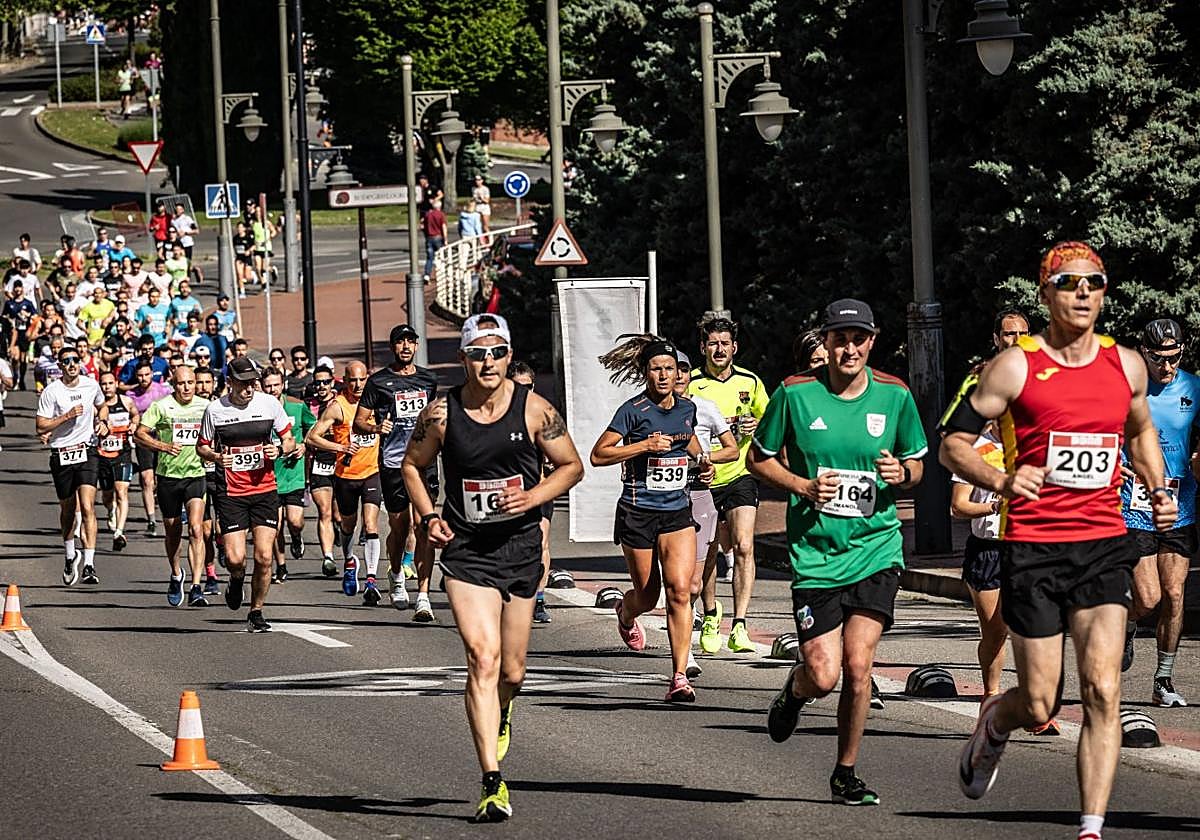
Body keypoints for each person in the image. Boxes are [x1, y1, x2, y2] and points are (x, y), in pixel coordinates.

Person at [939, 242, 1176, 840]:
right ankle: (998, 718)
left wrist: (1156, 484)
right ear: (1046, 292)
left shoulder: (1125, 364)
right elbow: (952, 445)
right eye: (1069, 282)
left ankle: (1090, 827)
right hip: (1033, 548)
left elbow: (1141, 428)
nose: (1083, 293)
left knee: (1102, 689)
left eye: (1094, 283)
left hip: (1102, 544)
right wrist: (1000, 478)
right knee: (1042, 703)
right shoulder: (1015, 366)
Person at [402, 313, 583, 823]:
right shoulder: (442, 413)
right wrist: (430, 514)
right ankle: (491, 780)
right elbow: (411, 465)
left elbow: (572, 466)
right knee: (482, 658)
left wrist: (531, 498)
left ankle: (504, 707)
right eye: (478, 353)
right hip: (465, 551)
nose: (488, 362)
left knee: (513, 669)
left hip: (520, 548)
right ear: (463, 359)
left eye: (497, 352)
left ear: (508, 355)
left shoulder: (534, 410)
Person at [750, 298, 927, 806]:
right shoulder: (794, 394)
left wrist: (903, 475)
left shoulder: (894, 396)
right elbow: (758, 459)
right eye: (839, 338)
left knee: (857, 665)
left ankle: (845, 771)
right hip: (815, 553)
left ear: (872, 341)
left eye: (858, 338)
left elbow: (917, 463)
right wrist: (802, 487)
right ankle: (794, 692)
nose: (849, 348)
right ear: (824, 343)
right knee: (823, 674)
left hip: (876, 549)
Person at [591, 335, 717, 701]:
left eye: (669, 369)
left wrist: (703, 463)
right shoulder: (632, 411)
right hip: (637, 513)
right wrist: (644, 446)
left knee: (680, 591)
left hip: (676, 512)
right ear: (645, 373)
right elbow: (599, 454)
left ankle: (679, 677)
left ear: (678, 372)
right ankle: (625, 613)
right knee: (647, 596)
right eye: (655, 369)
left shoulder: (686, 408)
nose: (663, 375)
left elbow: (689, 440)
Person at [1119, 318, 1200, 708]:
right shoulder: (1127, 386)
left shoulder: (1194, 388)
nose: (1166, 366)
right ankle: (1130, 625)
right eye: (1158, 358)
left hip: (1179, 505)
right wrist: (1113, 464)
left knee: (1174, 593)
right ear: (1143, 352)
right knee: (1148, 599)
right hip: (1134, 505)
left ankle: (1163, 679)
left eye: (1174, 357)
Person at [687, 315, 770, 654]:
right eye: (712, 344)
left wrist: (757, 426)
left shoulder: (750, 382)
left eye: (725, 344)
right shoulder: (690, 384)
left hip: (739, 474)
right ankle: (710, 614)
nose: (719, 349)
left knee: (744, 546)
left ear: (734, 347)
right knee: (707, 553)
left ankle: (739, 624)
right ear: (703, 348)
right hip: (702, 478)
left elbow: (772, 422)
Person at [197, 356, 297, 631]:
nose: (249, 388)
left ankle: (256, 611)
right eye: (243, 383)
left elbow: (289, 439)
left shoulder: (269, 404)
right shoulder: (215, 410)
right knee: (235, 559)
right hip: (231, 492)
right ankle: (236, 580)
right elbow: (201, 447)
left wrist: (278, 449)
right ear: (229, 382)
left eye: (252, 382)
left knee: (264, 557)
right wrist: (217, 457)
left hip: (265, 490)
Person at [355, 324, 440, 615]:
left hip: (424, 462)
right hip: (393, 462)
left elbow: (435, 417)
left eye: (410, 342)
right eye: (400, 342)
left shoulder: (429, 380)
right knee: (400, 527)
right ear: (393, 347)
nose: (406, 347)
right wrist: (378, 426)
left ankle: (424, 595)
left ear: (416, 346)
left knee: (425, 526)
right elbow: (360, 421)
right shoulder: (379, 382)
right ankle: (396, 574)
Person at [673, 352, 739, 675]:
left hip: (699, 495)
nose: (680, 376)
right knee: (662, 586)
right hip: (660, 501)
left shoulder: (705, 408)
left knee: (693, 584)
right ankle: (630, 612)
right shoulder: (648, 410)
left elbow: (733, 449)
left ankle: (686, 656)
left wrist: (706, 459)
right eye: (675, 370)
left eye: (684, 370)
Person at [306, 361, 383, 605]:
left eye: (362, 380)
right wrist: (340, 447)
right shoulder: (337, 407)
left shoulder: (376, 401)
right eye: (352, 380)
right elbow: (312, 438)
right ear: (344, 381)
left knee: (371, 525)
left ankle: (371, 581)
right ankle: (350, 561)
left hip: (372, 472)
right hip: (346, 477)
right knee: (347, 526)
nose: (358, 385)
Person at [135, 365, 211, 607]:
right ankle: (177, 573)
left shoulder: (205, 406)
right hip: (168, 476)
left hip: (196, 475)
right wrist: (163, 446)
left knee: (197, 529)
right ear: (173, 384)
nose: (187, 387)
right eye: (181, 383)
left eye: (190, 382)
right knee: (172, 530)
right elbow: (140, 434)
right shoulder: (161, 406)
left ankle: (197, 586)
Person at [37, 345, 110, 586]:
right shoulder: (51, 391)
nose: (71, 364)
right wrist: (66, 416)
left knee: (88, 506)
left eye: (75, 360)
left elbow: (103, 405)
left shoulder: (91, 385)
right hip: (61, 453)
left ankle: (89, 563)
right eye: (66, 361)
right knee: (68, 509)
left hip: (87, 451)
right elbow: (41, 427)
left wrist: (103, 422)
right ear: (59, 366)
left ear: (80, 362)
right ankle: (70, 555)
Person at [261, 366, 314, 582]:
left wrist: (303, 445)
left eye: (276, 385)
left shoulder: (297, 406)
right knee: (276, 526)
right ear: (262, 387)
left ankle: (297, 536)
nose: (272, 389)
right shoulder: (258, 410)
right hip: (269, 477)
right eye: (268, 386)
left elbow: (315, 427)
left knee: (294, 520)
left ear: (283, 384)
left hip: (293, 474)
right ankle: (281, 565)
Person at [128, 358, 173, 534]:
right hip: (143, 440)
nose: (143, 378)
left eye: (147, 374)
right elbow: (129, 416)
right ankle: (152, 520)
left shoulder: (163, 391)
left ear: (152, 374)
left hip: (162, 439)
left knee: (159, 480)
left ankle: (165, 509)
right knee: (147, 479)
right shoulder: (131, 395)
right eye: (139, 375)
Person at [97, 369, 138, 551]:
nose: (107, 387)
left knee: (122, 491)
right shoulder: (96, 406)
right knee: (107, 495)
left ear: (116, 384)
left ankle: (119, 532)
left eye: (110, 383)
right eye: (103, 384)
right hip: (103, 455)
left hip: (123, 453)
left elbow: (135, 414)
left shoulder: (126, 401)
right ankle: (111, 509)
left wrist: (134, 424)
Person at [306, 365, 341, 577]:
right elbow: (303, 433)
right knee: (324, 511)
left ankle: (339, 529)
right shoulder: (307, 406)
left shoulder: (341, 404)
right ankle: (328, 557)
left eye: (325, 382)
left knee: (339, 515)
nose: (321, 386)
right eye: (317, 383)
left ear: (332, 383)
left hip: (340, 461)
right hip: (319, 462)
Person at [4, 279, 37, 389]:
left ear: (23, 289)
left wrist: (27, 315)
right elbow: (4, 316)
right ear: (13, 289)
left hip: (25, 333)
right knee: (15, 358)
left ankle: (22, 379)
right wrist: (9, 319)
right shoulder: (9, 303)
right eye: (16, 287)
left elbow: (35, 317)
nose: (18, 289)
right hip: (14, 332)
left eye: (19, 287)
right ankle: (15, 377)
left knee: (23, 358)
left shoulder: (28, 303)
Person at [422, 197, 448, 280]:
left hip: (429, 237)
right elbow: (443, 227)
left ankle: (427, 274)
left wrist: (426, 234)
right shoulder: (441, 215)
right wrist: (445, 239)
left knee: (429, 258)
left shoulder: (428, 214)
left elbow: (423, 225)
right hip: (438, 237)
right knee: (441, 257)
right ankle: (442, 274)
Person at [232, 221, 256, 298]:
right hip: (239, 258)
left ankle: (253, 275)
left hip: (247, 258)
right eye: (238, 228)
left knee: (247, 276)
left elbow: (254, 246)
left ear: (244, 228)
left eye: (241, 227)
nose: (239, 229)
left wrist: (249, 251)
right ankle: (242, 292)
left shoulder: (248, 237)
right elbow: (234, 247)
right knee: (240, 275)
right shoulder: (235, 238)